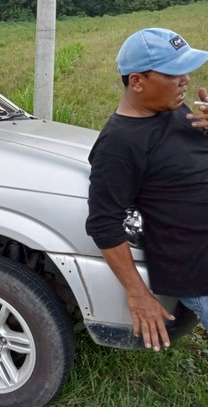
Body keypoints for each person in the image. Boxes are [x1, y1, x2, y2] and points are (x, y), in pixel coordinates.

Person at [86, 27, 208, 352]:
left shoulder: (174, 109)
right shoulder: (119, 144)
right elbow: (103, 224)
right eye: (173, 72)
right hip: (199, 269)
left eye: (186, 69)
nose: (185, 79)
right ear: (137, 81)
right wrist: (138, 294)